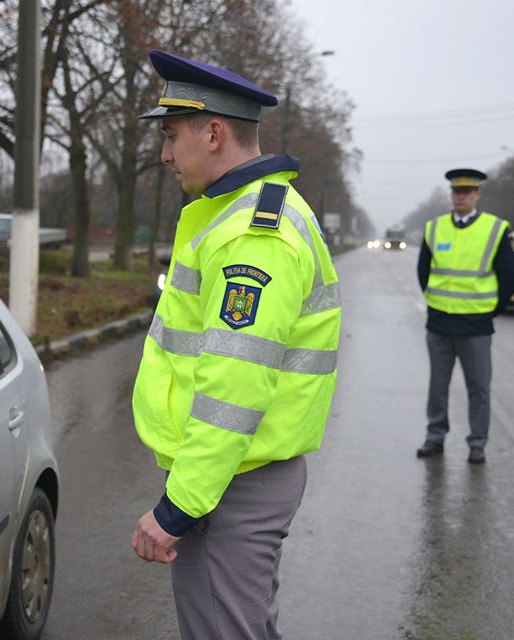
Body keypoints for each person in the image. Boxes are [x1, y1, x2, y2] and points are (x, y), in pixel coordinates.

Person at [130, 49, 341, 640]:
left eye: (171, 136)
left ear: (214, 133)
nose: (165, 155)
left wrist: (178, 507)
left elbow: (234, 388)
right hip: (232, 475)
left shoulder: (253, 235)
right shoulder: (235, 214)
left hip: (232, 482)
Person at [416, 169, 514, 464]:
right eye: (456, 192)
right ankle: (435, 437)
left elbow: (512, 274)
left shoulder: (496, 229)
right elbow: (423, 270)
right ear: (451, 195)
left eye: (466, 192)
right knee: (438, 386)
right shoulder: (434, 228)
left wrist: (490, 308)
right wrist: (435, 301)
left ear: (477, 194)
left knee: (478, 388)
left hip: (475, 326)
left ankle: (477, 443)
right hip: (439, 323)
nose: (460, 197)